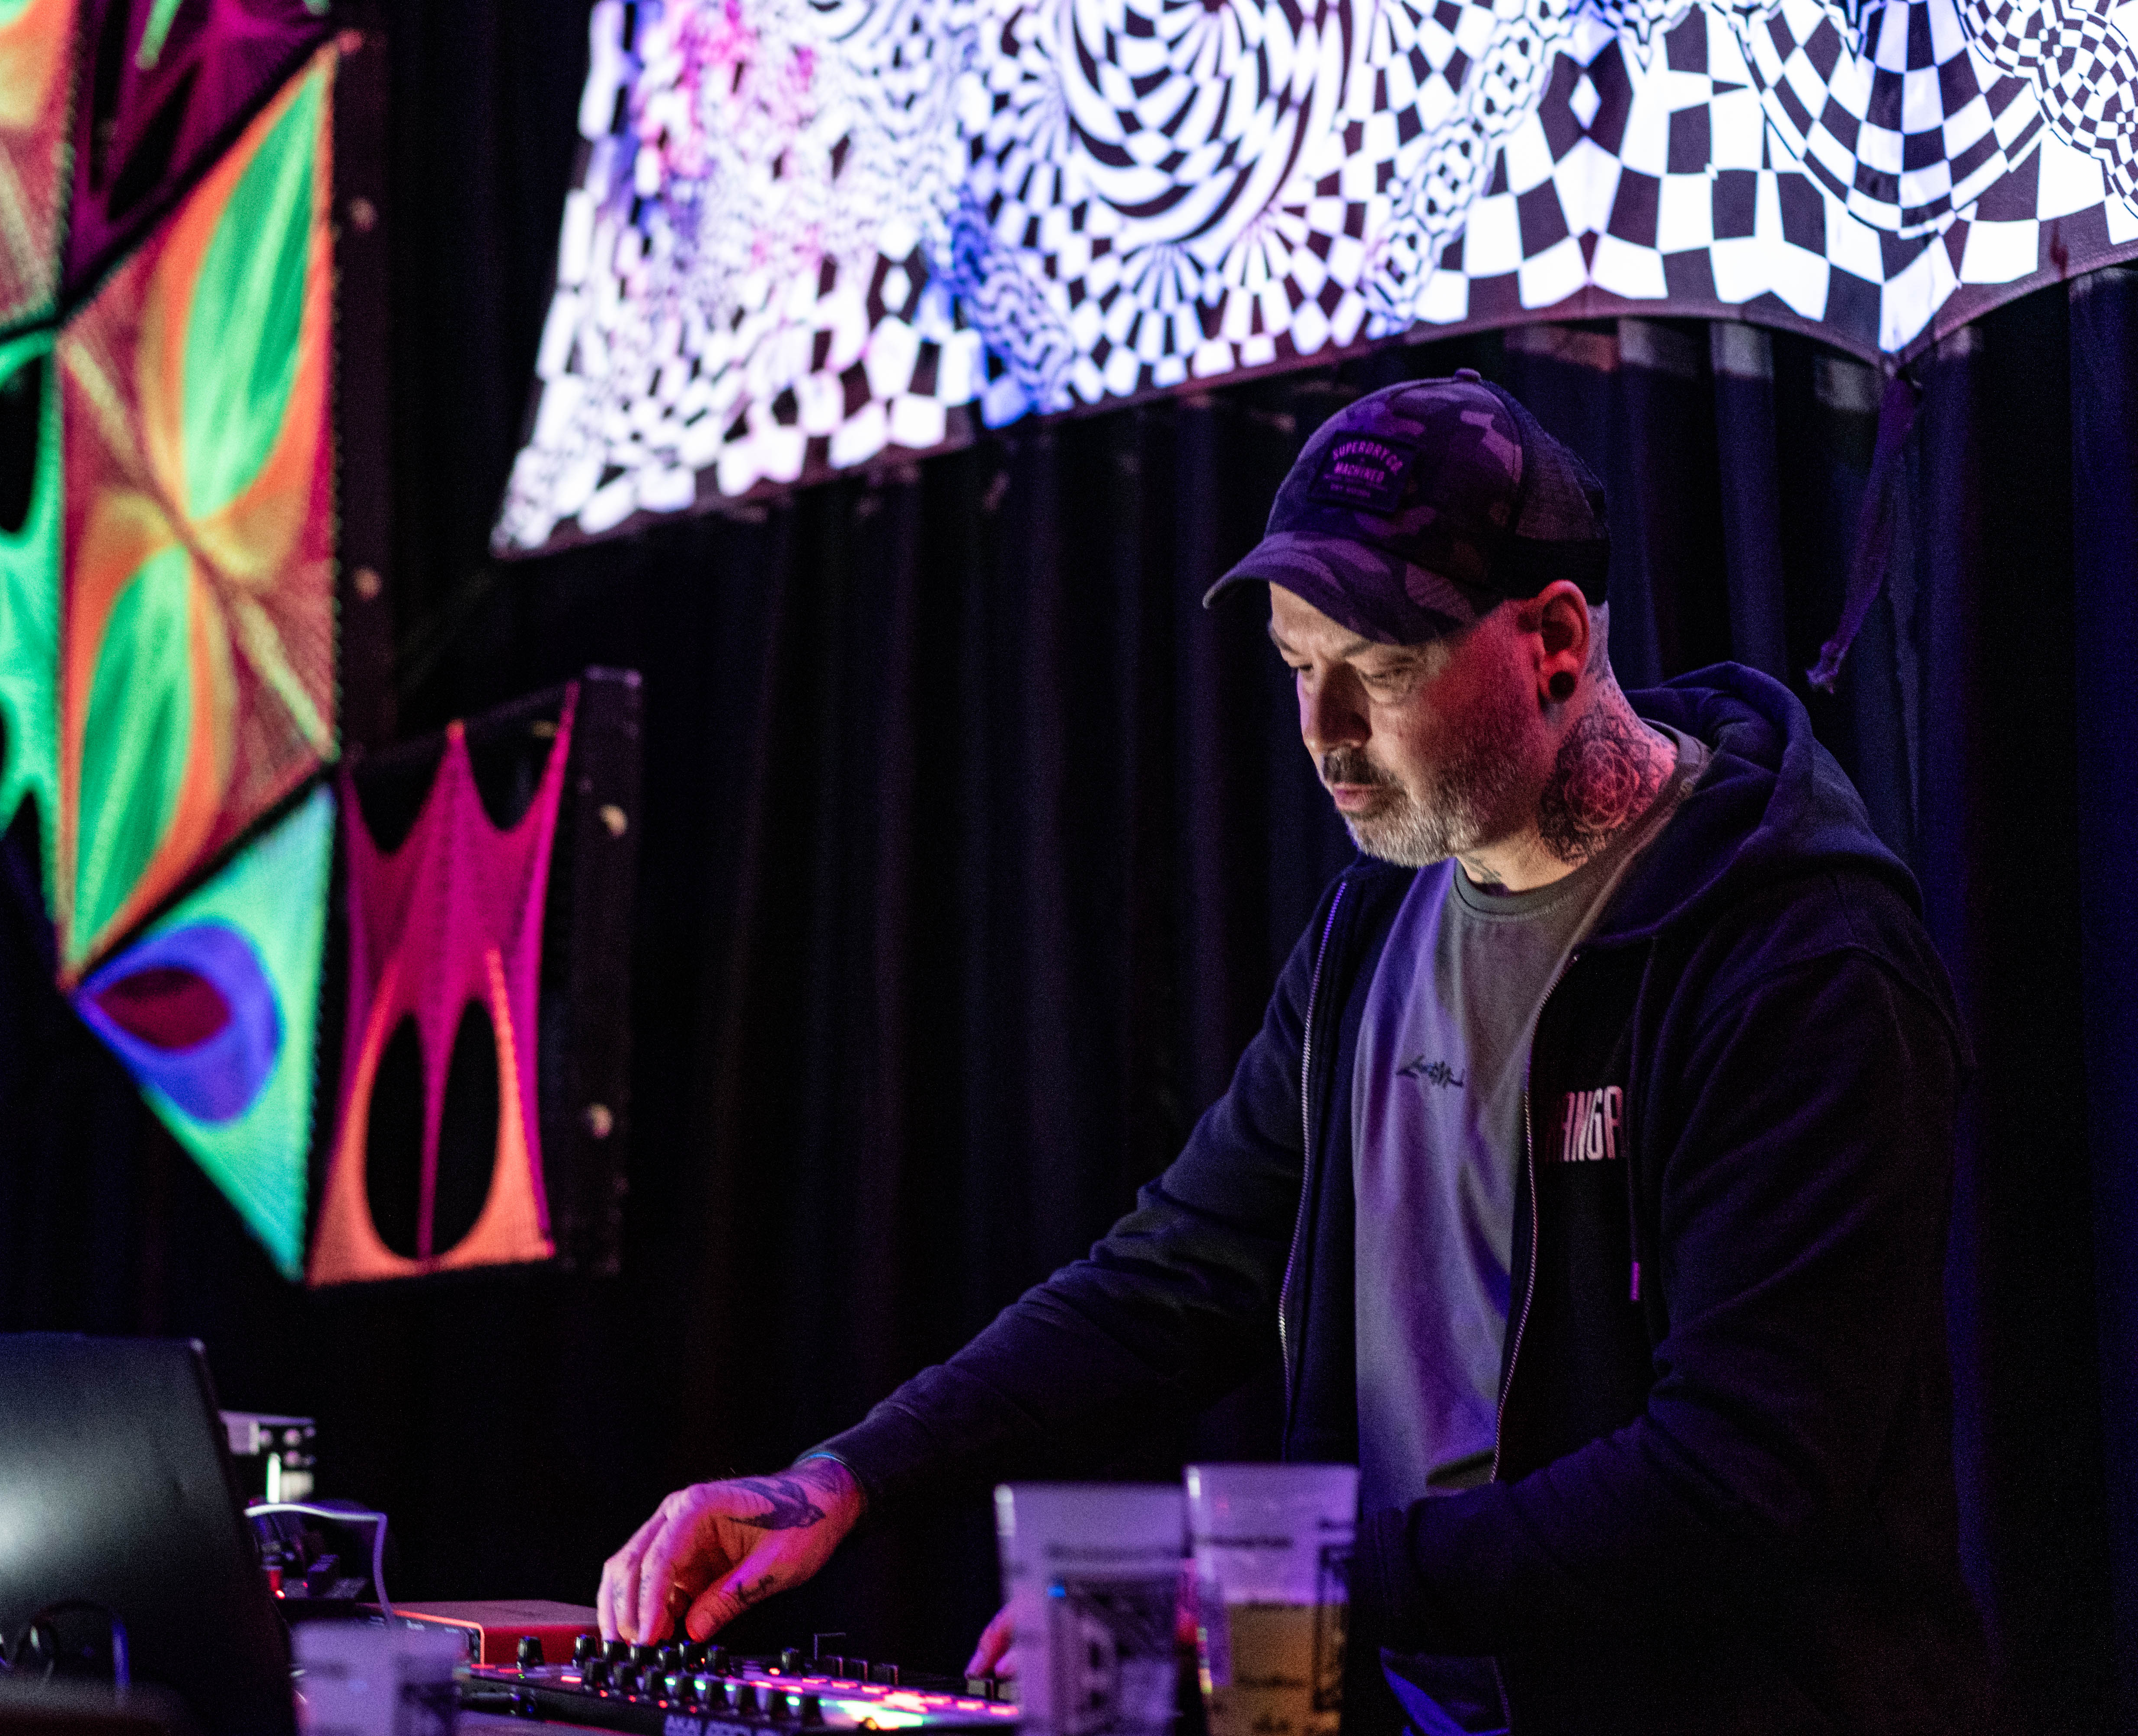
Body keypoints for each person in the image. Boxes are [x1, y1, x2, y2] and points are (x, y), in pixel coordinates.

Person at [597, 372, 1993, 1733]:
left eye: (1380, 673)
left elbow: (1737, 1477)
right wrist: (845, 1479)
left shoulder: (1801, 964)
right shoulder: (1370, 929)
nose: (1325, 736)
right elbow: (1173, 1278)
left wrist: (1287, 1587)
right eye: (1297, 668)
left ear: (1557, 643)